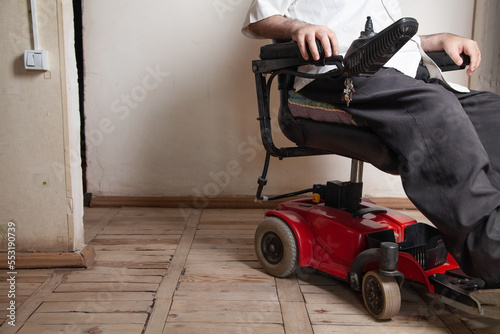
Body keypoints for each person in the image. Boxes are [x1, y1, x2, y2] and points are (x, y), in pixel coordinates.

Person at [242, 0, 500, 288]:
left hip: (407, 75)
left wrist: (436, 40)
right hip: (341, 76)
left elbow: (384, 39)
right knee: (437, 110)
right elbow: (257, 17)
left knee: (493, 112)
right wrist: (299, 28)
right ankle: (490, 251)